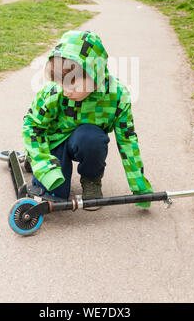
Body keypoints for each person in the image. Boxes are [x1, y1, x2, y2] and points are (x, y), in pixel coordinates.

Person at [22, 30, 153, 210]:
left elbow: (127, 139)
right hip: (53, 138)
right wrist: (43, 165)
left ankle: (91, 180)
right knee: (54, 194)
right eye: (62, 83)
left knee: (92, 138)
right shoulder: (54, 92)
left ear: (95, 74)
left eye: (73, 85)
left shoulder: (117, 95)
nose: (66, 91)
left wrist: (139, 186)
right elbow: (33, 126)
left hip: (84, 138)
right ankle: (35, 158)